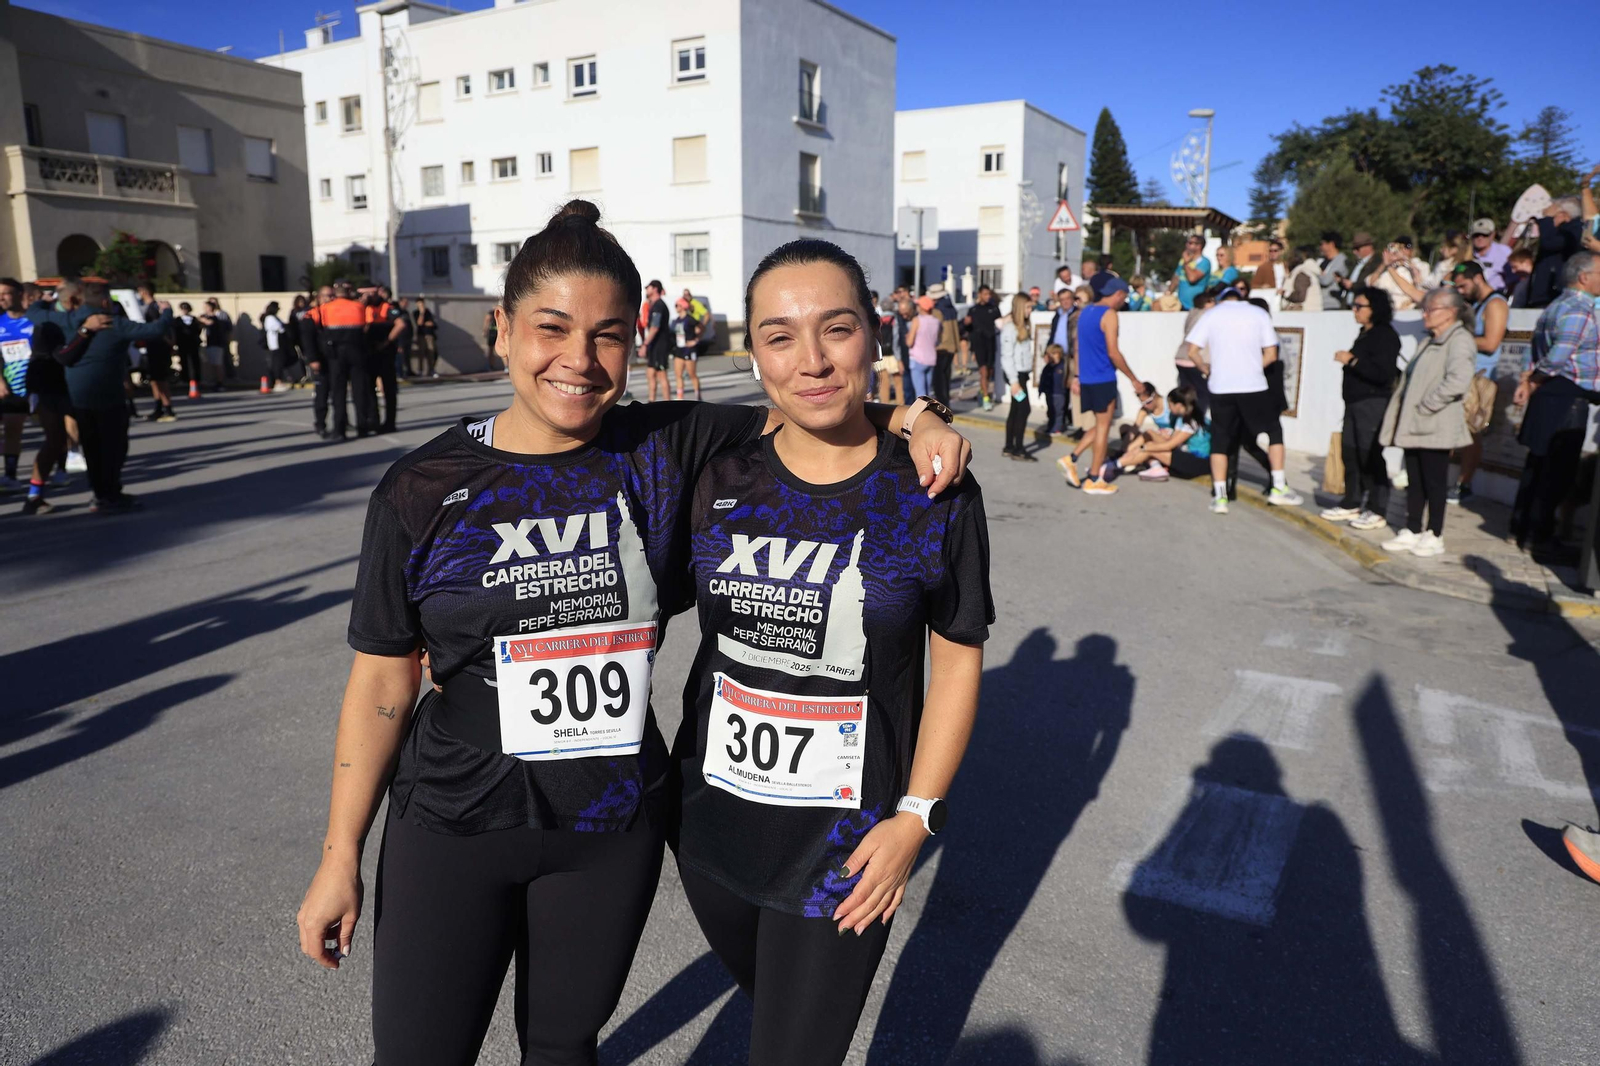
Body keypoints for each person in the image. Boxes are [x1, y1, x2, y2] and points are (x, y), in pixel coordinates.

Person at [292, 200, 971, 1066]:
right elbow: (383, 685)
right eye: (551, 329)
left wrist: (919, 417)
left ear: (634, 342)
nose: (578, 361)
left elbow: (814, 405)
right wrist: (339, 854)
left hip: (607, 833)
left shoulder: (665, 446)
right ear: (503, 332)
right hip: (453, 823)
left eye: (608, 335)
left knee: (564, 1045)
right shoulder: (421, 490)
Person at [670, 237, 992, 1066]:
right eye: (780, 336)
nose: (810, 360)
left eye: (836, 329)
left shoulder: (928, 491)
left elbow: (957, 659)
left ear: (874, 336)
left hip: (847, 848)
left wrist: (917, 819)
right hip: (709, 827)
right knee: (776, 1011)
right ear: (754, 354)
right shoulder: (716, 471)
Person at [29, 281, 171, 512]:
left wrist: (45, 300)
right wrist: (166, 312)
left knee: (93, 448)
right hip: (110, 397)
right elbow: (156, 330)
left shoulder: (67, 320)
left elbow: (34, 314)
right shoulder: (115, 324)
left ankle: (100, 494)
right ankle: (111, 492)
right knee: (115, 448)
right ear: (105, 302)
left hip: (80, 398)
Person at [1509, 251, 1600, 559]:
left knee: (1538, 465)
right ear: (1584, 277)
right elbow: (1559, 355)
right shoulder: (1580, 307)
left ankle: (1520, 530)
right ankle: (1541, 538)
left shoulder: (1555, 304)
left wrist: (1528, 380)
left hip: (1549, 392)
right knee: (1556, 471)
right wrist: (1533, 380)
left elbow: (1532, 349)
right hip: (1565, 395)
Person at [1182, 287, 1303, 513]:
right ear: (1242, 298)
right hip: (1253, 385)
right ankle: (1278, 486)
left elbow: (1192, 351)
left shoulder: (1211, 314)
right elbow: (1271, 354)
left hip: (1221, 386)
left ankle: (1220, 497)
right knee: (1273, 432)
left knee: (1220, 439)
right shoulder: (1259, 314)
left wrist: (1206, 369)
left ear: (1221, 299)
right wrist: (1252, 367)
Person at [1376, 287, 1476, 556]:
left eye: (1431, 309)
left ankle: (1434, 533)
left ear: (1450, 312)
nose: (1425, 314)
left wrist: (1427, 405)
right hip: (1416, 423)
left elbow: (1458, 380)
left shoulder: (1460, 340)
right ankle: (1412, 529)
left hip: (1434, 423)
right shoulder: (1429, 340)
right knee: (1415, 480)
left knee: (1434, 481)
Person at [1320, 287, 1399, 531]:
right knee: (1351, 452)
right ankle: (1352, 501)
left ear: (1374, 309)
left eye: (1359, 306)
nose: (1354, 310)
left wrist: (1351, 361)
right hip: (1354, 402)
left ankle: (1377, 508)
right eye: (1354, 305)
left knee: (1370, 454)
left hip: (1372, 403)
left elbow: (1382, 373)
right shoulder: (1364, 333)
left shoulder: (1385, 335)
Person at [1057, 277, 1145, 496]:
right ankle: (1094, 478)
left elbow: (1077, 347)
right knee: (1104, 428)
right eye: (1123, 297)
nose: (1123, 302)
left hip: (1087, 378)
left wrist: (1077, 375)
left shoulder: (1085, 312)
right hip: (1103, 377)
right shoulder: (1109, 315)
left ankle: (1072, 458)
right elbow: (1113, 352)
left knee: (1100, 424)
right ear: (1117, 294)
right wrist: (1134, 379)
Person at [1449, 261, 1509, 503]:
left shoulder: (1495, 304)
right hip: (1464, 374)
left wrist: (1458, 337)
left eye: (1463, 286)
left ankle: (1464, 484)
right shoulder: (1475, 304)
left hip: (1481, 378)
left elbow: (1491, 342)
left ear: (1478, 278)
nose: (1460, 291)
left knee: (1472, 432)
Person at [305, 281, 373, 440]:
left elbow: (319, 328)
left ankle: (339, 429)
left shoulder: (325, 309)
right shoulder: (358, 307)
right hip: (357, 352)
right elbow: (365, 328)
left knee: (338, 393)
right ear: (348, 294)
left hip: (335, 355)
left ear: (335, 296)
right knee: (359, 391)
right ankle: (362, 427)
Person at [1115, 383, 1212, 481]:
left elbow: (1169, 445)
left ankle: (1116, 464)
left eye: (1170, 405)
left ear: (1178, 405)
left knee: (1150, 449)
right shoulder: (1182, 418)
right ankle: (1122, 460)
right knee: (1149, 437)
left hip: (1198, 462)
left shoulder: (1192, 422)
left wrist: (1143, 447)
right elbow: (1172, 440)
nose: (1169, 408)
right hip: (1186, 455)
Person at [0, 276, 35, 493]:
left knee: (56, 431)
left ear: (20, 295)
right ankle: (10, 475)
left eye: (5, 293)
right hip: (9, 386)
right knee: (11, 429)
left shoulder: (35, 320)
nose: (1, 298)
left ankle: (63, 466)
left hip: (36, 384)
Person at [997, 292, 1035, 460]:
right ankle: (1018, 448)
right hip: (1016, 377)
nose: (1030, 310)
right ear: (1020, 307)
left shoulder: (1022, 326)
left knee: (1015, 410)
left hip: (1022, 375)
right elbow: (1006, 357)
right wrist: (1014, 382)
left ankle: (1009, 446)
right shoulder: (1010, 328)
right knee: (1023, 409)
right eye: (1027, 307)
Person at [1527, 197, 1585, 308]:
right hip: (1545, 296)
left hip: (1556, 295)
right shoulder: (1557, 232)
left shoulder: (1574, 231)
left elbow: (1548, 243)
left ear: (1563, 215)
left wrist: (1547, 219)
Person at [1175, 288, 1216, 417]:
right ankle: (1197, 423)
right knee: (1202, 394)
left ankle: (1183, 423)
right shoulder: (1207, 315)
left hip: (1180, 357)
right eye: (1213, 301)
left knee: (1186, 395)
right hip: (1195, 360)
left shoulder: (1192, 313)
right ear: (1206, 303)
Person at [963, 284, 1002, 411]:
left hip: (991, 343)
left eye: (989, 294)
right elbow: (967, 329)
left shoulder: (994, 309)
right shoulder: (973, 310)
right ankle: (986, 398)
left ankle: (982, 390)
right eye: (985, 294)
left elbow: (1000, 324)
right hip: (979, 345)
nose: (988, 296)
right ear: (980, 294)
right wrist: (966, 323)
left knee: (989, 372)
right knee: (983, 371)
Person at [1369, 237, 1430, 311]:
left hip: (1407, 309)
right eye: (1398, 248)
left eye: (1404, 247)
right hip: (1386, 308)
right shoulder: (1390, 268)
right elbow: (1371, 284)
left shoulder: (1422, 265)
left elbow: (1420, 285)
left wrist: (1406, 260)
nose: (1400, 251)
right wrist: (1385, 263)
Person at [927, 282, 958, 405]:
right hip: (952, 346)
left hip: (941, 347)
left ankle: (943, 405)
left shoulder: (937, 310)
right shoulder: (951, 307)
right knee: (946, 377)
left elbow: (936, 330)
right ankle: (947, 404)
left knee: (938, 380)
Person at [641, 279, 672, 402]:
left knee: (661, 374)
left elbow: (654, 327)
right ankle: (651, 401)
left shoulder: (659, 306)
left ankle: (667, 403)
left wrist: (645, 344)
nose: (646, 290)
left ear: (654, 289)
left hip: (660, 345)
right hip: (654, 345)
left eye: (648, 287)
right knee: (650, 373)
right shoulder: (653, 305)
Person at [906, 294, 939, 398]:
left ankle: (922, 414)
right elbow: (937, 340)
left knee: (920, 393)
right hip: (931, 358)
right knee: (927, 392)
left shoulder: (917, 320)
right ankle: (928, 412)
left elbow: (909, 342)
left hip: (918, 359)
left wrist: (907, 337)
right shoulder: (936, 321)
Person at [670, 296, 703, 401]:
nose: (675, 307)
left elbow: (701, 327)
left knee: (692, 374)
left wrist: (696, 340)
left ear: (683, 307)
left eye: (677, 305)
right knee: (678, 374)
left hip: (689, 350)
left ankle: (698, 396)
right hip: (679, 349)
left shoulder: (689, 319)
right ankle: (680, 396)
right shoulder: (676, 320)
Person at [1334, 233, 1380, 304]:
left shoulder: (1377, 263)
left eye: (1357, 249)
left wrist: (1353, 285)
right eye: (1353, 249)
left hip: (1364, 305)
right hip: (1351, 305)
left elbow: (1372, 283)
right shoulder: (1357, 264)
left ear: (1368, 247)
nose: (1354, 252)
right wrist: (1342, 282)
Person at [198, 297, 232, 389]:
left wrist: (202, 319)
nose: (204, 309)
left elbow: (209, 322)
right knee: (212, 364)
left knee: (218, 364)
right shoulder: (208, 317)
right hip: (210, 343)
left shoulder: (215, 318)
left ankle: (220, 382)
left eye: (206, 307)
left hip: (216, 343)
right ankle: (215, 381)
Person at [173, 301, 204, 400]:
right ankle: (184, 378)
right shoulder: (178, 320)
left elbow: (198, 330)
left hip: (193, 343)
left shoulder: (194, 319)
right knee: (184, 361)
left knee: (195, 361)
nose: (184, 310)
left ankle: (197, 378)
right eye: (183, 308)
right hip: (182, 343)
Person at [1469, 218, 1511, 291]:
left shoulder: (1504, 252)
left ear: (1492, 235)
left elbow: (1513, 277)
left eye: (1484, 234)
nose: (1480, 238)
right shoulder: (1467, 253)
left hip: (1497, 294)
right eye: (1476, 235)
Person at [1173, 234, 1211, 310]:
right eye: (1188, 242)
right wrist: (1168, 292)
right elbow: (1176, 278)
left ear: (1199, 246)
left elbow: (1192, 278)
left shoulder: (1204, 262)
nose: (1187, 245)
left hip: (1196, 306)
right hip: (1181, 305)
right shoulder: (1182, 261)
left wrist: (1186, 263)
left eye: (1190, 243)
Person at [1037, 342, 1067, 436]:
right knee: (1050, 411)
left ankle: (1057, 428)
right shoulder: (1048, 367)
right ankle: (1050, 427)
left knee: (1058, 412)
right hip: (1049, 392)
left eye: (1054, 353)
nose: (1052, 356)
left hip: (1059, 393)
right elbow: (1043, 378)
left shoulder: (1063, 366)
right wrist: (1041, 390)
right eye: (1050, 354)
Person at [261, 300, 288, 394]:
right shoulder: (270, 318)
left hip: (278, 344)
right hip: (275, 344)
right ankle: (277, 381)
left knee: (278, 362)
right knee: (277, 363)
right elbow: (280, 328)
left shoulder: (273, 317)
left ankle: (278, 380)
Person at [1317, 232, 1350, 310]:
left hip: (1332, 304)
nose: (1320, 247)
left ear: (1331, 244)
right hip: (1321, 303)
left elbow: (1326, 280)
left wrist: (1316, 272)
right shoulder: (1322, 262)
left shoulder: (1340, 260)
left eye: (1322, 244)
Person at [413, 296, 438, 377]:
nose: (422, 305)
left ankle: (431, 369)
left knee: (431, 352)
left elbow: (432, 323)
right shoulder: (416, 312)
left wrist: (426, 322)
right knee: (421, 353)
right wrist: (422, 313)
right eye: (420, 304)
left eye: (423, 303)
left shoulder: (428, 312)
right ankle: (420, 370)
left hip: (429, 335)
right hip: (421, 335)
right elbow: (419, 323)